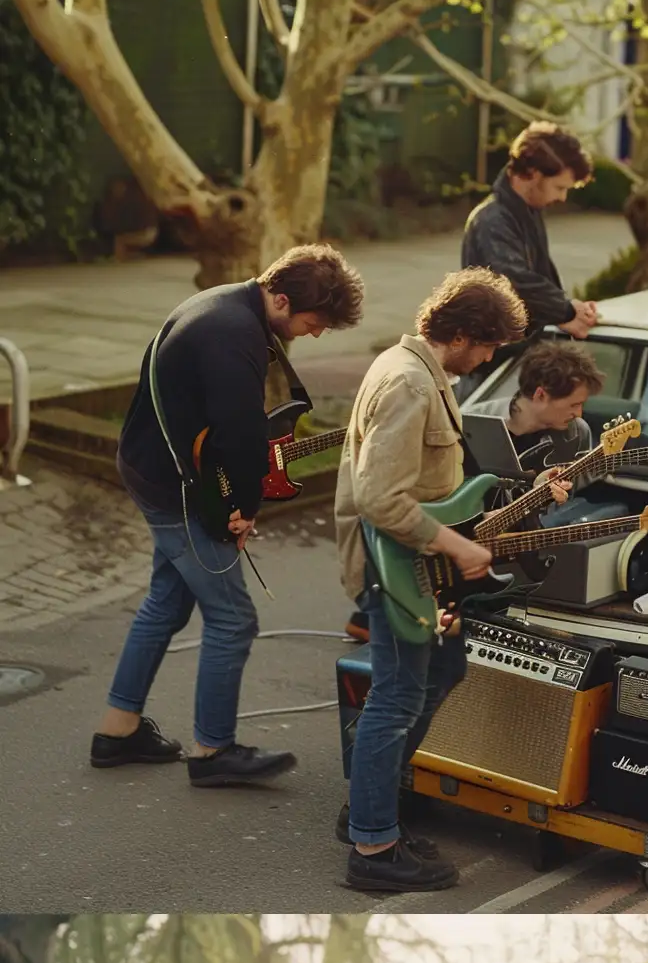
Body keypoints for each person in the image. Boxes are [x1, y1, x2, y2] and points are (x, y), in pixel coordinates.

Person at [95, 245, 364, 788]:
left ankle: (117, 731)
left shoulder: (223, 305)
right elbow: (239, 437)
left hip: (152, 467)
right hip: (177, 487)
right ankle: (213, 752)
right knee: (233, 620)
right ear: (282, 298)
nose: (313, 334)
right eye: (314, 323)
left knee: (166, 603)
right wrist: (238, 512)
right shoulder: (232, 334)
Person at [335, 268, 543, 894]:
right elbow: (380, 498)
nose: (486, 359)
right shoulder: (407, 384)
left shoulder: (419, 369)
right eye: (485, 346)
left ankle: (372, 813)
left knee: (442, 673)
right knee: (396, 699)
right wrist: (456, 544)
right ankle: (372, 849)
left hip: (416, 564)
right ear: (458, 333)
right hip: (396, 567)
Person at [460, 120, 600, 372]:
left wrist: (567, 310)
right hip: (490, 367)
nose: (562, 197)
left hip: (513, 359)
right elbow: (514, 282)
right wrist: (566, 311)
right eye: (559, 187)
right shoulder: (493, 220)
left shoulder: (527, 212)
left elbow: (537, 280)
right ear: (533, 174)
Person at [461, 337, 602, 480]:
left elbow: (573, 490)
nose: (578, 414)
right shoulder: (470, 423)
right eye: (574, 405)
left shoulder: (577, 432)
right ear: (540, 395)